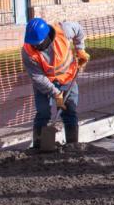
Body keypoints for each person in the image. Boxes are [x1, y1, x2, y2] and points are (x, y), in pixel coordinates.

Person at [21, 17, 89, 147]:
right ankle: (39, 146)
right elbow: (38, 78)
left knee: (70, 111)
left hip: (68, 79)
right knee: (43, 112)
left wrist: (80, 50)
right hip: (45, 83)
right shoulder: (27, 52)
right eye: (33, 43)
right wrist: (56, 94)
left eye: (38, 43)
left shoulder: (64, 30)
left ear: (46, 37)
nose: (35, 46)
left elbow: (79, 30)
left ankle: (72, 145)